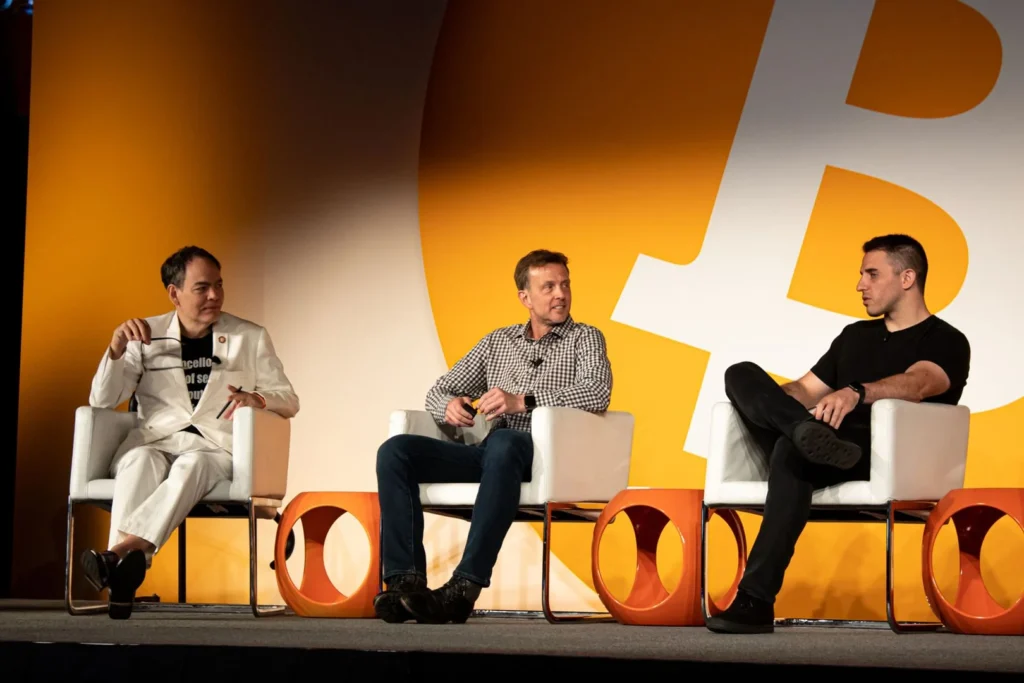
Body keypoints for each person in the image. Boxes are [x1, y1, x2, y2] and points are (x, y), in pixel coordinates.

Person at [705, 234, 970, 634]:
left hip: (874, 454)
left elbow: (919, 383)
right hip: (816, 440)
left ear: (907, 278)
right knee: (740, 373)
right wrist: (770, 401)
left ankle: (754, 600)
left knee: (790, 453)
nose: (860, 284)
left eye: (872, 274)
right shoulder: (854, 336)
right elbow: (804, 389)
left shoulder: (945, 340)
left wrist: (856, 391)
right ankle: (801, 430)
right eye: (862, 274)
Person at [374, 249, 613, 624]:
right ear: (525, 297)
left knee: (505, 442)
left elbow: (597, 391)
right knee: (396, 451)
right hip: (493, 457)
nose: (560, 294)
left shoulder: (585, 338)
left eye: (565, 285)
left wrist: (524, 401)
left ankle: (464, 586)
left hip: (546, 457)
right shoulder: (498, 342)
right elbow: (440, 389)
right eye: (549, 286)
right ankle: (406, 582)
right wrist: (449, 406)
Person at [80, 246, 300, 619]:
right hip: (156, 440)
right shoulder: (145, 335)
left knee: (191, 465)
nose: (214, 295)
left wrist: (257, 399)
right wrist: (116, 349)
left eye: (219, 285)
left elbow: (289, 399)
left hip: (215, 447)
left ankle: (116, 555)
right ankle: (123, 568)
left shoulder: (249, 337)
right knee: (137, 462)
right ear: (174, 293)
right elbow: (102, 400)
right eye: (202, 288)